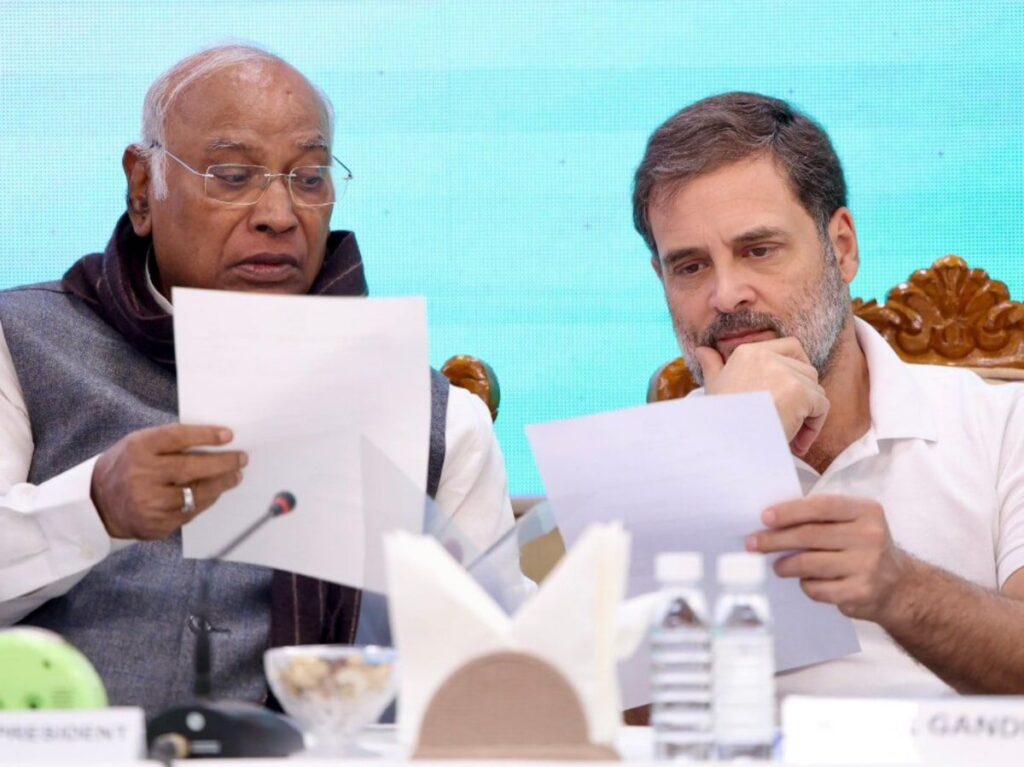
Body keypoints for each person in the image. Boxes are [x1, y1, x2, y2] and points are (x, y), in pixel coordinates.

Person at [0, 44, 516, 716]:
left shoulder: (433, 419)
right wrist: (92, 507)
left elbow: (497, 680)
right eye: (234, 175)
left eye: (309, 178)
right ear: (142, 188)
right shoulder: (21, 341)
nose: (279, 213)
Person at [632, 92, 1024, 696]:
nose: (727, 294)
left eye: (758, 250)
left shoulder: (1003, 424)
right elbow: (632, 716)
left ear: (842, 247)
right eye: (690, 266)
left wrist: (901, 588)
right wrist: (729, 448)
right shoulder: (644, 464)